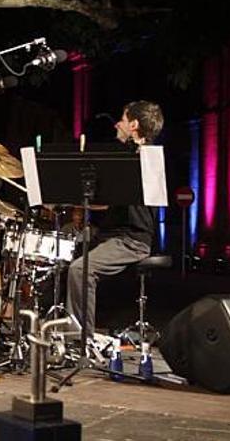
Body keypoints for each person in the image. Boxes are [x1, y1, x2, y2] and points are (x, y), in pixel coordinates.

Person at [65, 100, 164, 335]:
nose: (117, 124)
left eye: (123, 118)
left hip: (132, 240)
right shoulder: (129, 157)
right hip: (113, 235)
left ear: (134, 125)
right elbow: (109, 204)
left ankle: (81, 339)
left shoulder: (143, 159)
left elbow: (110, 201)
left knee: (81, 270)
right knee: (61, 254)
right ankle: (62, 326)